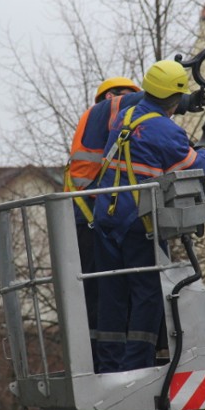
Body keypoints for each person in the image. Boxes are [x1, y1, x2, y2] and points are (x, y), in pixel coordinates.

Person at [64, 74, 205, 373]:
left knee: (110, 293)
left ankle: (108, 363)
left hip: (103, 217)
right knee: (147, 291)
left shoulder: (122, 119)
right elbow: (191, 165)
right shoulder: (135, 117)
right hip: (136, 219)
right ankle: (137, 364)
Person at [64, 76, 141, 373]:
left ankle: (110, 358)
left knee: (108, 292)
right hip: (90, 219)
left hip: (96, 219)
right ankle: (103, 362)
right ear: (110, 96)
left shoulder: (115, 132)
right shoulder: (104, 111)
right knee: (102, 294)